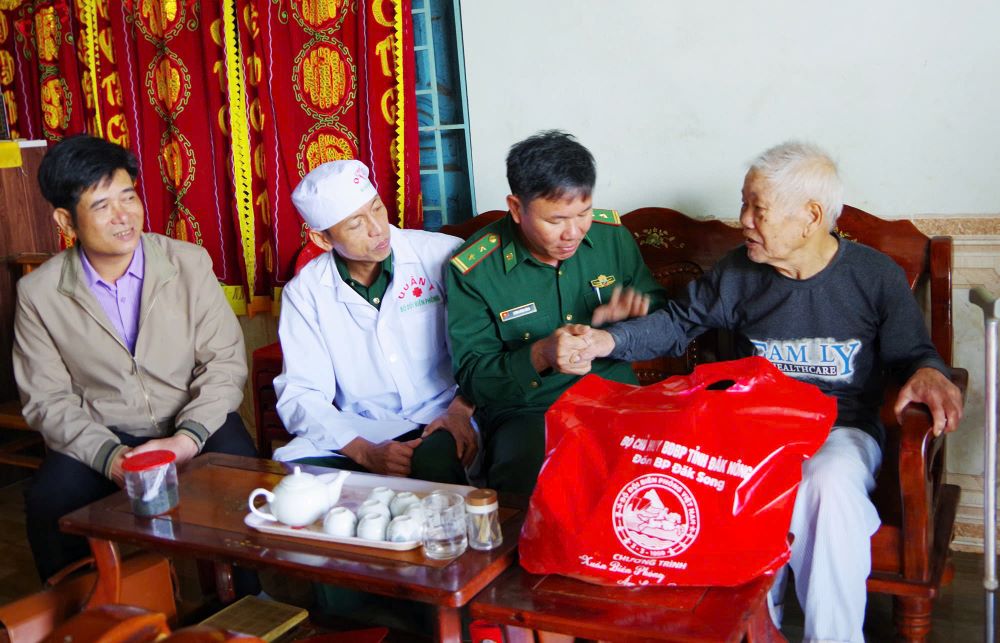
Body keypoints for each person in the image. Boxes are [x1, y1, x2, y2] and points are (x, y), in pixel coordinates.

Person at [566, 141, 964, 643]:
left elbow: (915, 354)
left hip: (840, 429)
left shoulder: (873, 277)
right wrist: (607, 340)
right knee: (742, 478)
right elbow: (677, 324)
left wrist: (929, 370)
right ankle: (761, 631)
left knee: (826, 481)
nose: (743, 220)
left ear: (810, 217)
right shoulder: (740, 271)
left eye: (758, 209)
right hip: (754, 432)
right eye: (744, 204)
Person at [13, 134, 258, 582]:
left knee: (240, 475)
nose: (123, 216)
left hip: (192, 417)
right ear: (65, 221)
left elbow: (223, 363)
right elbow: (46, 400)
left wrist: (185, 440)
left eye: (128, 196)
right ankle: (81, 614)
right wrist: (112, 458)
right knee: (49, 499)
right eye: (101, 205)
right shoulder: (39, 293)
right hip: (106, 434)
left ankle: (246, 603)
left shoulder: (188, 263)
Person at [445, 130, 667, 494]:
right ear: (516, 208)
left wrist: (631, 318)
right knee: (536, 483)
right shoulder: (474, 269)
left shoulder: (614, 238)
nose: (573, 233)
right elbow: (473, 378)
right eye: (556, 220)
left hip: (614, 394)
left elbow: (661, 319)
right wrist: (540, 354)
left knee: (665, 471)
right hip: (526, 410)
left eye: (584, 213)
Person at [272, 160, 474, 485]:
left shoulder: (440, 255)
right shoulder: (306, 292)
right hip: (363, 426)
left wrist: (460, 411)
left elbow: (489, 348)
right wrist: (365, 452)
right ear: (323, 239)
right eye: (355, 224)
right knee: (297, 474)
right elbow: (302, 391)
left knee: (431, 466)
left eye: (377, 208)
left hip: (442, 411)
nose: (377, 228)